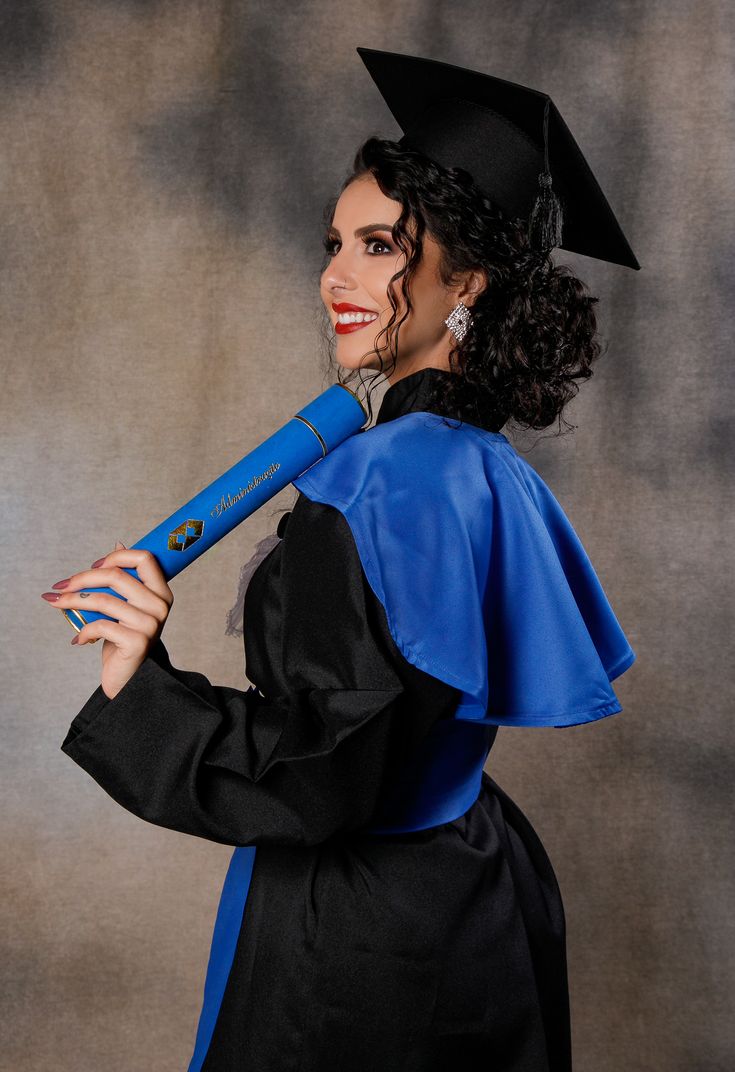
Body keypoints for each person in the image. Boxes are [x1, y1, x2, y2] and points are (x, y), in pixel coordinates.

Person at [45, 50, 638, 1072]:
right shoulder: (484, 469)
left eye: (378, 245)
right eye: (336, 242)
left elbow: (319, 778)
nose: (335, 276)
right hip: (479, 891)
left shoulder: (370, 482)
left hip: (356, 939)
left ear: (469, 284)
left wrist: (137, 679)